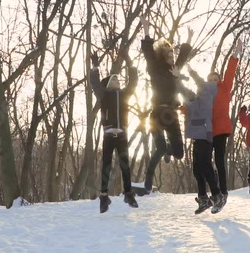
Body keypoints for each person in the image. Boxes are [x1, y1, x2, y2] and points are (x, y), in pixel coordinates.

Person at [139, 15, 193, 193]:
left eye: (173, 55)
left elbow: (183, 57)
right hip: (156, 113)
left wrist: (189, 39)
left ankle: (170, 151)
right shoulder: (155, 67)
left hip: (171, 114)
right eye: (169, 55)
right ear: (163, 56)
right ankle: (148, 179)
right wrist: (146, 29)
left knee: (178, 153)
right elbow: (148, 52)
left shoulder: (174, 69)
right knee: (159, 147)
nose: (172, 58)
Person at [89, 51, 139, 213]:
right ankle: (104, 197)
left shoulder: (124, 95)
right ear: (109, 84)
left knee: (125, 165)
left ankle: (129, 194)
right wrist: (95, 66)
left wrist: (130, 63)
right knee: (106, 165)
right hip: (109, 135)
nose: (117, 80)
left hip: (122, 135)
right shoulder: (104, 95)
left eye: (118, 79)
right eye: (114, 79)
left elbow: (133, 82)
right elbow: (95, 83)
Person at [177, 66, 224, 214]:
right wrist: (176, 77)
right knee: (197, 169)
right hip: (197, 137)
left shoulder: (208, 95)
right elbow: (184, 91)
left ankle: (217, 195)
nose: (210, 82)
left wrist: (192, 72)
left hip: (205, 134)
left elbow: (202, 85)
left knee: (205, 165)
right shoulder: (196, 100)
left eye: (213, 80)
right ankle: (203, 198)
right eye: (209, 79)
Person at [209, 38, 243, 207]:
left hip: (221, 129)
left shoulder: (224, 88)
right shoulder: (205, 94)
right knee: (205, 163)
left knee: (220, 160)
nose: (214, 82)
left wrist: (235, 53)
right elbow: (195, 108)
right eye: (211, 80)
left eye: (216, 79)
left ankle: (223, 191)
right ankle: (214, 191)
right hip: (208, 130)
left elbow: (230, 71)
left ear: (219, 81)